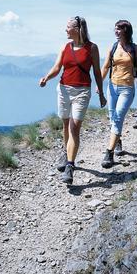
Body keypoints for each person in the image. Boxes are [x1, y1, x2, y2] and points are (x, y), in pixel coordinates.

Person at [39, 16, 105, 184]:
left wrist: (101, 93)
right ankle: (66, 151)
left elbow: (97, 71)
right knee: (65, 125)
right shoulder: (65, 47)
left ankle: (70, 165)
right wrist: (46, 77)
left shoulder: (92, 48)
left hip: (82, 91)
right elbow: (57, 67)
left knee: (74, 127)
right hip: (63, 90)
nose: (65, 30)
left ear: (77, 29)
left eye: (68, 27)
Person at [100, 20, 137, 168]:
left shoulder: (135, 49)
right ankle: (117, 140)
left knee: (118, 116)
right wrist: (99, 84)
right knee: (112, 116)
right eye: (115, 29)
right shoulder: (113, 47)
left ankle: (109, 153)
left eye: (118, 29)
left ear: (126, 30)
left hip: (127, 88)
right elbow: (106, 66)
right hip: (112, 87)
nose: (116, 32)